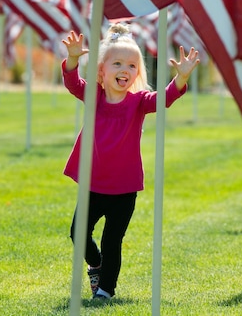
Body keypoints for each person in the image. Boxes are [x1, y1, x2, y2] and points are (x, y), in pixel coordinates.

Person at [60, 23, 200, 300]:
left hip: (124, 189)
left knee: (112, 241)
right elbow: (73, 82)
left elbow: (166, 98)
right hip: (94, 184)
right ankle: (96, 265)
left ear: (138, 73)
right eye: (118, 64)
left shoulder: (138, 102)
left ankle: (105, 290)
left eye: (132, 66)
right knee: (78, 234)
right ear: (102, 70)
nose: (125, 70)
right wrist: (74, 59)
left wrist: (180, 78)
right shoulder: (95, 97)